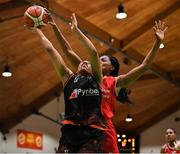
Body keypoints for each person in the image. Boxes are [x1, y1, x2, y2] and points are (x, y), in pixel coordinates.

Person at [47, 12, 168, 153]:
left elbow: (145, 66)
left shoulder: (114, 82)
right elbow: (67, 52)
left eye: (103, 60)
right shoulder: (86, 73)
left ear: (112, 67)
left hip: (104, 129)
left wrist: (157, 42)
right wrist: (58, 29)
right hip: (84, 129)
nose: (98, 61)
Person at [28, 25, 107, 152]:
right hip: (69, 134)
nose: (84, 62)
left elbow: (93, 53)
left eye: (88, 63)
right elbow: (50, 50)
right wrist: (38, 30)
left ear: (94, 70)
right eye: (82, 62)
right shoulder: (68, 79)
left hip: (92, 133)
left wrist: (76, 30)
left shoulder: (96, 79)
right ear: (76, 68)